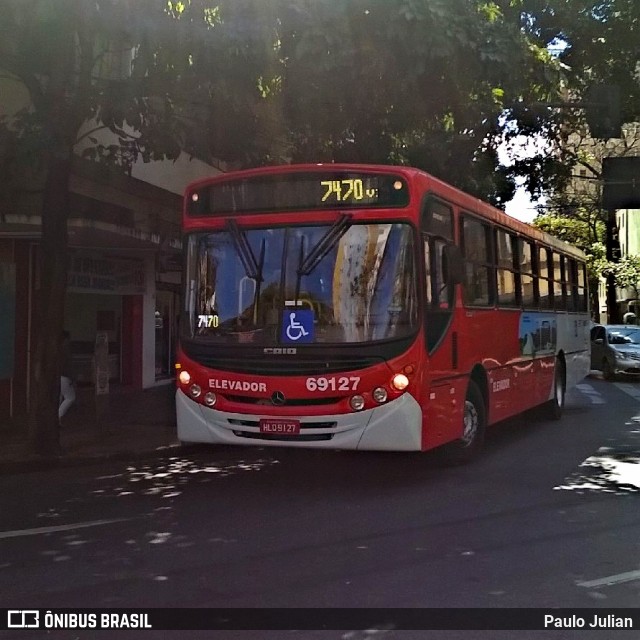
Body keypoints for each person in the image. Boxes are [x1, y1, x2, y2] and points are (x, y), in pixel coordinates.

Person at [59, 330, 76, 425]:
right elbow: (69, 366)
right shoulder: (66, 350)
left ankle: (57, 418)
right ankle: (58, 415)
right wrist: (73, 378)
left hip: (58, 376)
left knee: (60, 397)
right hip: (65, 376)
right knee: (70, 397)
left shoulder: (58, 349)